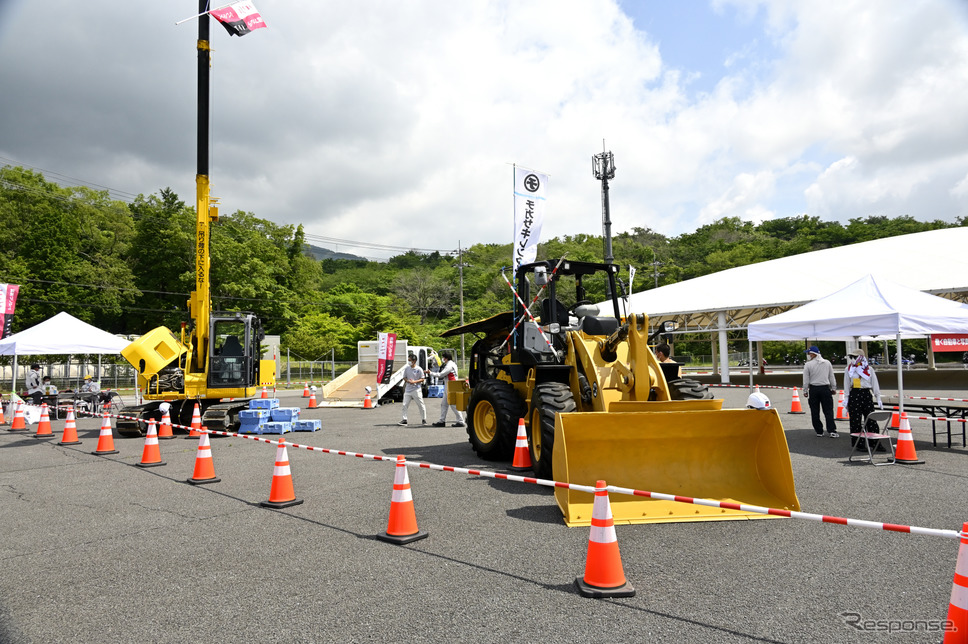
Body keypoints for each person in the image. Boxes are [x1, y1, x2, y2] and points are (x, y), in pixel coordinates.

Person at [843, 349, 883, 448]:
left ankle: (875, 442)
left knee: (871, 419)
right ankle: (858, 443)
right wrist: (846, 399)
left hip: (866, 393)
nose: (853, 359)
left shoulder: (869, 369)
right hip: (855, 394)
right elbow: (846, 384)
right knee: (855, 420)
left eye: (855, 357)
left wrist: (878, 397)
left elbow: (874, 383)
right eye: (851, 357)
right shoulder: (849, 369)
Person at [802, 345, 839, 437]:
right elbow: (831, 376)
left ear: (813, 354)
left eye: (809, 353)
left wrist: (805, 390)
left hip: (814, 389)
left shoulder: (808, 365)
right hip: (825, 388)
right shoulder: (827, 363)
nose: (808, 355)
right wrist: (833, 388)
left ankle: (819, 431)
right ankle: (832, 430)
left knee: (815, 410)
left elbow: (806, 379)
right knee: (828, 410)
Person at [431, 351, 465, 428]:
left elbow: (441, 375)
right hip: (450, 386)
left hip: (451, 386)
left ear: (446, 358)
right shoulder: (452, 364)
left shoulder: (449, 365)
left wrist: (430, 373)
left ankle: (460, 421)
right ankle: (442, 421)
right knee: (444, 404)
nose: (442, 359)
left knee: (452, 404)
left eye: (443, 357)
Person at [398, 353, 426, 426]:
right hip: (408, 390)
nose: (409, 361)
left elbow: (422, 379)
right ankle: (404, 419)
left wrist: (414, 382)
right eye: (408, 360)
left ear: (414, 361)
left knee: (421, 405)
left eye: (410, 360)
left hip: (416, 389)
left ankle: (424, 419)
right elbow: (404, 377)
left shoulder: (419, 369)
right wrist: (407, 381)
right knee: (404, 405)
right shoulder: (407, 368)